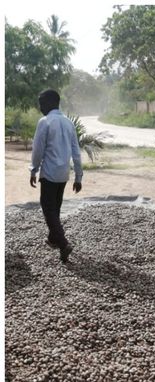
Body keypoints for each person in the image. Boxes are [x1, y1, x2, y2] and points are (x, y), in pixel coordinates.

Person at [29, 89, 83, 263]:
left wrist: (33, 169)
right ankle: (53, 239)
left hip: (49, 173)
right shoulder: (68, 123)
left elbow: (38, 150)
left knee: (48, 209)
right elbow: (76, 151)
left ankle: (63, 243)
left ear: (50, 103)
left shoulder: (45, 122)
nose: (40, 107)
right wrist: (78, 177)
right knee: (56, 208)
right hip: (63, 175)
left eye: (41, 102)